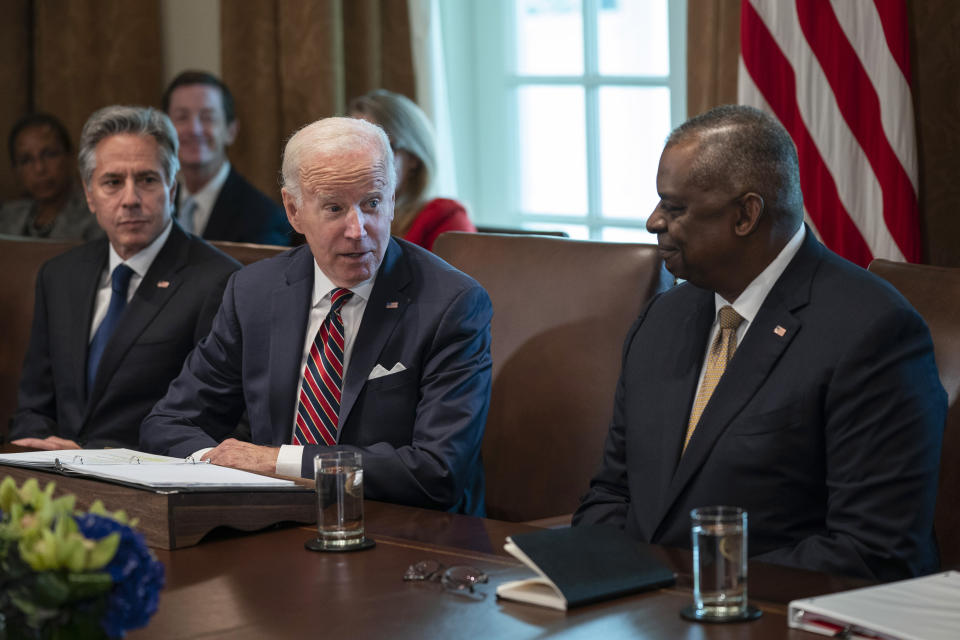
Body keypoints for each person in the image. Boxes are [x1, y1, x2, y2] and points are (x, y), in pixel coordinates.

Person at [574, 105, 946, 582]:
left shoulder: (872, 332)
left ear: (747, 214)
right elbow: (612, 494)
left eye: (675, 208)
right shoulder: (662, 318)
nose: (653, 222)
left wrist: (695, 583)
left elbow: (872, 551)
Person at [141, 117, 492, 515]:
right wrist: (217, 464)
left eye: (372, 203)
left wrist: (277, 463)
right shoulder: (253, 292)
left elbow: (438, 472)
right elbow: (167, 423)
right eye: (334, 207)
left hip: (401, 531)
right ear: (294, 210)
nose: (358, 229)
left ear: (393, 199)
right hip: (271, 523)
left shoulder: (452, 304)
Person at [8, 105, 240, 450]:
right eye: (113, 182)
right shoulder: (59, 276)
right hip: (56, 479)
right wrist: (41, 444)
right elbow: (32, 405)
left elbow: (213, 422)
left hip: (150, 486)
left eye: (146, 180)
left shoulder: (219, 281)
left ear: (171, 189)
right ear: (89, 195)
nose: (130, 199)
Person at [162, 70, 291, 245]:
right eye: (181, 117)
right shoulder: (158, 205)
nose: (194, 129)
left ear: (231, 131)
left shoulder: (263, 218)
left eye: (207, 118)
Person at [348, 89, 475, 251]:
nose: (363, 159)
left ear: (413, 158)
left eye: (381, 147)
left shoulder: (446, 218)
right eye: (354, 147)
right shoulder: (342, 214)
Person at [0, 113, 102, 240]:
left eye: (50, 154)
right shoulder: (7, 216)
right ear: (16, 169)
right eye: (26, 160)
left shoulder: (97, 216)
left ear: (70, 155)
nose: (39, 169)